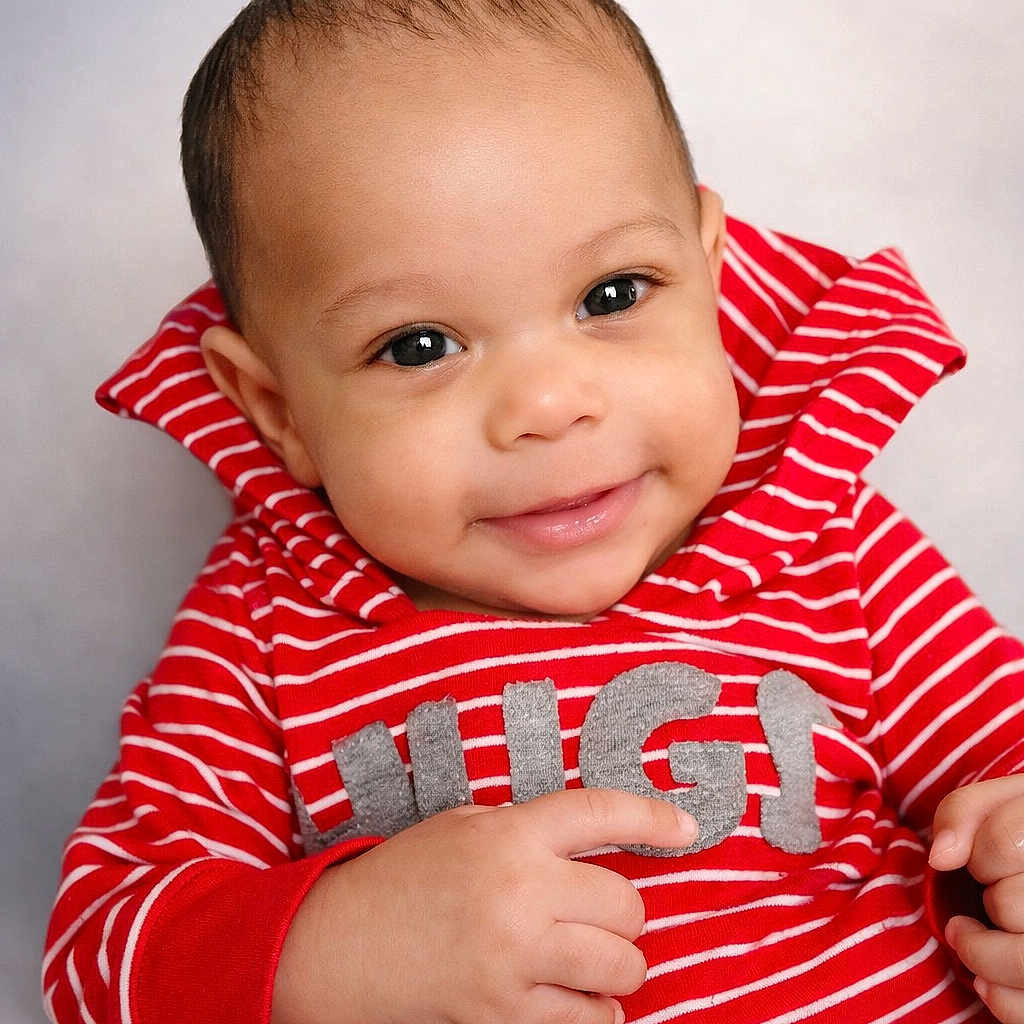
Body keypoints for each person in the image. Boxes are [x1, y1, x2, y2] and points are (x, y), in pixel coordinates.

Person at [41, 1, 1024, 1022]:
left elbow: (1003, 749)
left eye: (612, 294)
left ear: (708, 268)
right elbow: (96, 954)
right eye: (418, 345)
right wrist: (345, 948)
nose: (550, 408)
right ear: (278, 410)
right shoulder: (267, 626)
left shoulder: (821, 535)